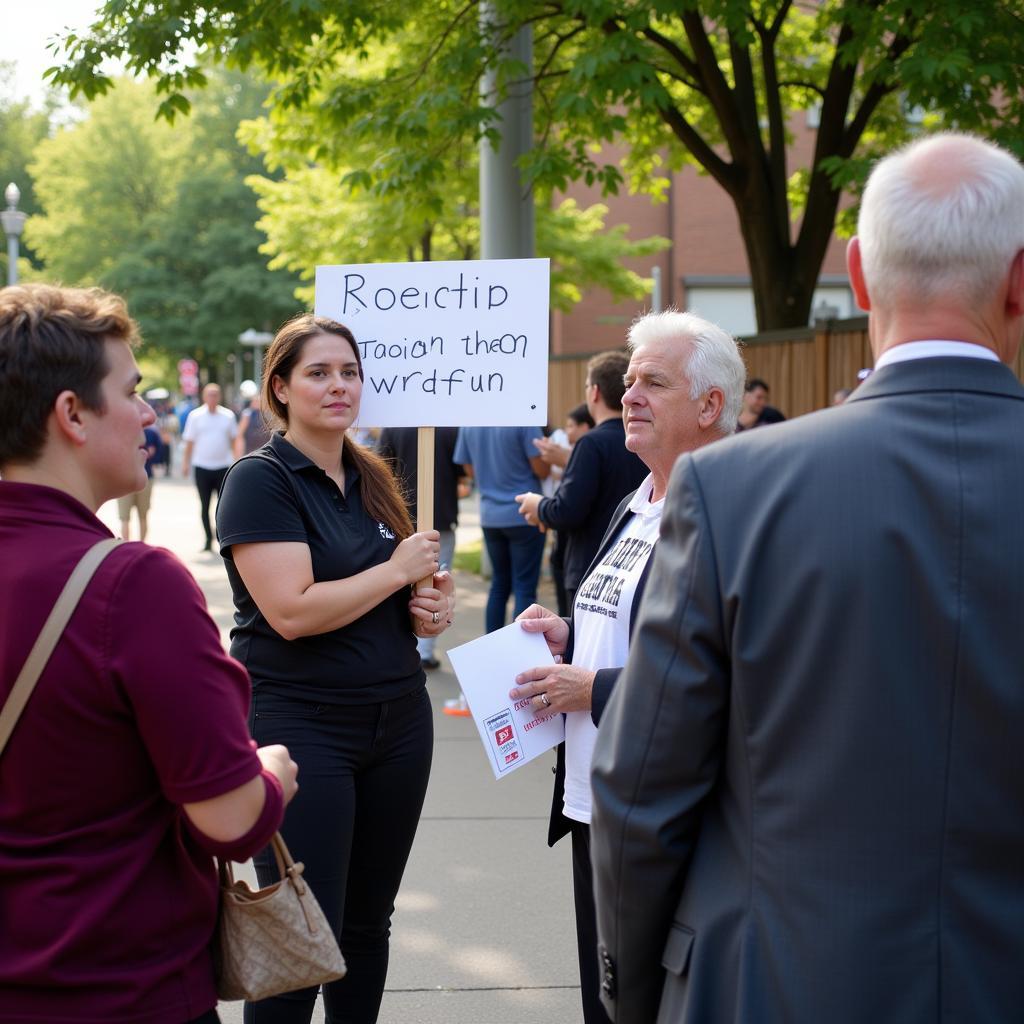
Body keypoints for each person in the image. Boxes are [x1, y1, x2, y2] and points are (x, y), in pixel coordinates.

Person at [591, 132, 1024, 1024]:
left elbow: (641, 789)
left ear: (859, 277)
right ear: (1020, 280)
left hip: (772, 985)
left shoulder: (732, 491)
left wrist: (637, 995)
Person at [0, 283, 297, 1024]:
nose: (148, 415)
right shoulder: (132, 586)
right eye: (131, 392)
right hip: (116, 987)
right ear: (70, 414)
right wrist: (273, 773)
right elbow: (230, 819)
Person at [215, 313, 454, 1024]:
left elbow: (391, 598)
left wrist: (423, 608)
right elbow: (291, 610)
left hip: (398, 722)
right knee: (299, 926)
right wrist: (394, 572)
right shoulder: (260, 481)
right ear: (280, 389)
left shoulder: (373, 472)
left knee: (366, 925)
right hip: (301, 726)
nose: (339, 385)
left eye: (349, 371)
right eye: (318, 373)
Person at [508, 311, 745, 1024]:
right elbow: (643, 631)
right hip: (598, 801)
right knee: (606, 999)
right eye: (631, 380)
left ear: (710, 406)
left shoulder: (736, 508)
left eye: (654, 383)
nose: (630, 395)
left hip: (673, 812)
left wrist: (597, 689)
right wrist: (570, 634)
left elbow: (732, 674)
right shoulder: (635, 502)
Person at [516, 351, 647, 614]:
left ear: (595, 392)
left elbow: (567, 511)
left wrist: (537, 505)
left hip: (591, 569)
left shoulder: (590, 444)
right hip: (634, 569)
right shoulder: (642, 439)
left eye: (587, 386)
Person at [377, 425, 467, 669]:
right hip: (442, 514)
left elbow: (382, 470)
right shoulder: (450, 430)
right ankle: (424, 650)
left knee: (409, 583)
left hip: (401, 517)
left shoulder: (393, 429)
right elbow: (463, 470)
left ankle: (413, 645)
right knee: (437, 580)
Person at [453, 425, 549, 634]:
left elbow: (468, 468)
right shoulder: (525, 419)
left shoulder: (471, 422)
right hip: (525, 513)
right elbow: (541, 469)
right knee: (524, 586)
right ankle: (523, 652)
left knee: (499, 585)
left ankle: (492, 648)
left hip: (490, 515)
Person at [534, 404, 595, 615]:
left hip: (578, 558)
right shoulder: (585, 447)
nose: (567, 430)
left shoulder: (589, 446)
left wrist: (540, 508)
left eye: (571, 425)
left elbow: (567, 509)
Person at [181, 382, 237, 552]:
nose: (212, 398)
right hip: (202, 467)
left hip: (223, 466)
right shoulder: (195, 416)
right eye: (209, 394)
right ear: (204, 397)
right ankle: (207, 539)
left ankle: (223, 539)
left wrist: (238, 461)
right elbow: (189, 442)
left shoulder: (228, 416)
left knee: (224, 505)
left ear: (219, 397)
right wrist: (185, 463)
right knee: (205, 505)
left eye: (215, 394)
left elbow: (234, 440)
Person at [116, 416, 161, 540]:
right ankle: (137, 545)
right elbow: (158, 455)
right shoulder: (151, 432)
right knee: (132, 517)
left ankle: (132, 545)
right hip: (135, 478)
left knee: (134, 517)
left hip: (138, 478)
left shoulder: (120, 431)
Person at [234, 378, 272, 457]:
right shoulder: (247, 414)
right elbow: (239, 436)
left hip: (267, 454)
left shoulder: (271, 414)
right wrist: (238, 456)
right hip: (250, 454)